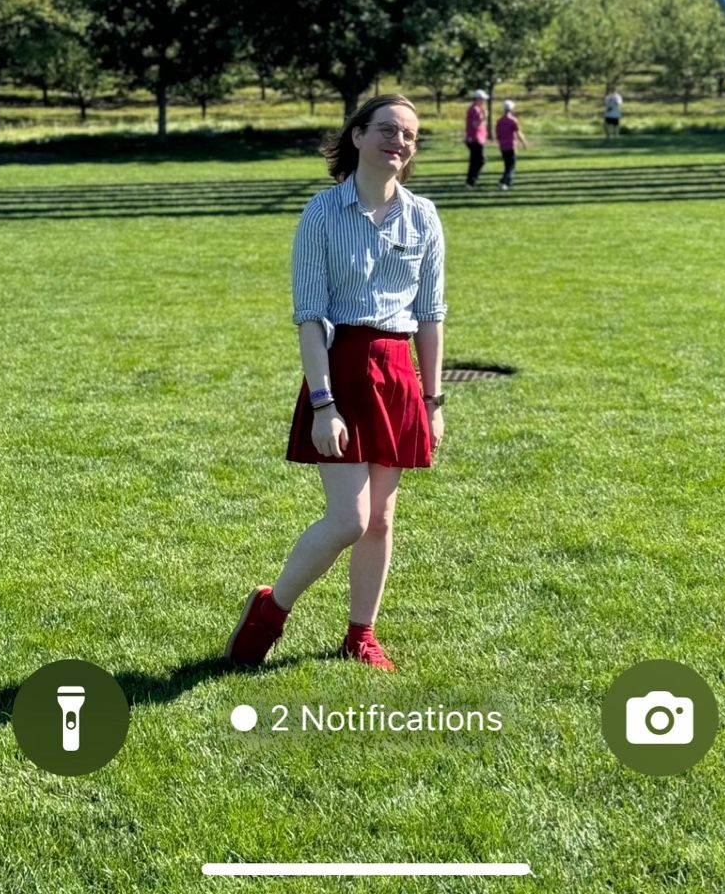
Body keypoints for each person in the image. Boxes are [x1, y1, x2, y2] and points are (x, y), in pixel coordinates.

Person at [225, 93, 446, 673]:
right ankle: (269, 611)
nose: (399, 142)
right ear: (357, 136)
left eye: (410, 136)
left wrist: (433, 400)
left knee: (381, 518)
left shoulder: (423, 216)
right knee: (348, 518)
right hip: (342, 367)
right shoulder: (322, 212)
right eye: (388, 130)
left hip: (398, 372)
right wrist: (323, 402)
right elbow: (310, 316)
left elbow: (431, 314)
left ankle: (360, 635)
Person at [495, 99, 528, 188]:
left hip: (503, 146)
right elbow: (518, 132)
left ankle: (507, 182)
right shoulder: (513, 120)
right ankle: (504, 182)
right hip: (511, 145)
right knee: (511, 166)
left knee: (507, 165)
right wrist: (524, 142)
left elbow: (498, 134)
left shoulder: (499, 121)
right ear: (511, 109)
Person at [464, 89, 488, 187]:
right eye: (482, 99)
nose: (484, 102)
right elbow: (475, 124)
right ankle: (472, 180)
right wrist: (484, 117)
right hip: (475, 139)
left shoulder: (475, 109)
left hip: (476, 138)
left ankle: (471, 181)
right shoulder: (475, 110)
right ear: (477, 99)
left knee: (475, 160)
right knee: (480, 160)